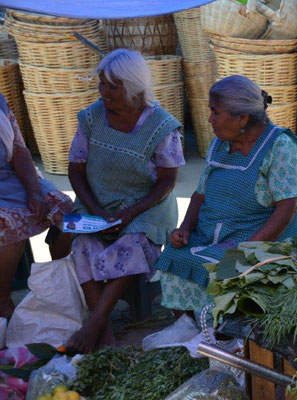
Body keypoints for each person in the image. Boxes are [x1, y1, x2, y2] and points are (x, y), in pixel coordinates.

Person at [154, 75, 297, 315]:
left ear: (243, 118)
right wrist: (185, 229)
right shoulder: (220, 143)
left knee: (221, 267)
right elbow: (200, 194)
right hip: (213, 233)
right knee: (176, 255)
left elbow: (287, 207)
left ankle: (217, 332)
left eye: (215, 112)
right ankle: (190, 326)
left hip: (256, 237)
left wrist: (248, 251)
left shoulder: (279, 146)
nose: (210, 119)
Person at [67, 49, 184, 352]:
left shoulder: (160, 125)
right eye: (102, 84)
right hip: (99, 203)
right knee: (82, 245)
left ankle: (93, 324)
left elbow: (167, 181)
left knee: (130, 244)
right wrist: (95, 211)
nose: (104, 91)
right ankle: (103, 329)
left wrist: (131, 212)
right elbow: (76, 170)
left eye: (112, 86)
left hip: (146, 207)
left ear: (133, 86)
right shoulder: (91, 118)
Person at [0, 93, 73, 319]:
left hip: (9, 178)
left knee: (65, 210)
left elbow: (19, 150)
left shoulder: (1, 101)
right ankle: (2, 299)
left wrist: (33, 191)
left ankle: (58, 284)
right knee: (9, 222)